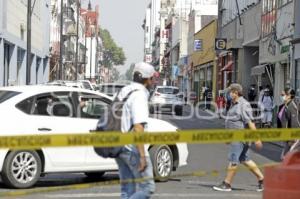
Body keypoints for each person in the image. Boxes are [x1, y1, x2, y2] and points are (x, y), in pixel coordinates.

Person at [213, 83, 264, 192]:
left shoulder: (243, 105)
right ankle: (262, 179)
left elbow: (250, 123)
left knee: (233, 159)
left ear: (235, 92)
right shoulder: (233, 103)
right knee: (245, 159)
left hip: (240, 137)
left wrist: (257, 138)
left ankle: (227, 184)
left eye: (230, 92)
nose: (229, 94)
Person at [115, 62, 155, 199]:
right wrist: (142, 156)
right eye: (152, 79)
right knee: (148, 188)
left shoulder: (125, 90)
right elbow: (138, 127)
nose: (153, 82)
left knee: (127, 190)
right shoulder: (140, 95)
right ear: (147, 79)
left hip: (119, 146)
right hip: (131, 150)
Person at [277, 88, 300, 160]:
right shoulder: (284, 106)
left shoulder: (292, 106)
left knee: (287, 158)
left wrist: (292, 139)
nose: (281, 96)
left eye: (283, 95)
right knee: (284, 157)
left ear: (289, 96)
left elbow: (295, 122)